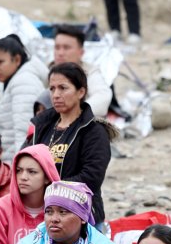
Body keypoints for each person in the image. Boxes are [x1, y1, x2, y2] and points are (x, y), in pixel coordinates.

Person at [24, 63, 114, 224]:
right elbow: (23, 161)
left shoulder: (93, 130)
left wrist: (48, 189)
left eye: (63, 88)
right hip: (41, 214)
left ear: (81, 92)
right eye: (52, 89)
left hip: (80, 216)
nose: (56, 95)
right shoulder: (41, 126)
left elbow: (91, 177)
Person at [0, 145, 61, 244]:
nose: (23, 177)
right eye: (18, 171)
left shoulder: (62, 211)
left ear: (47, 177)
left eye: (32, 172)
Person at [50, 26, 111, 118]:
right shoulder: (46, 70)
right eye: (57, 47)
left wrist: (74, 113)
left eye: (66, 48)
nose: (60, 53)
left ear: (81, 52)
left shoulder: (90, 72)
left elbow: (102, 97)